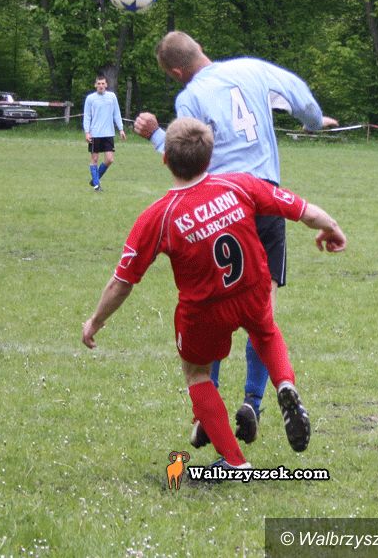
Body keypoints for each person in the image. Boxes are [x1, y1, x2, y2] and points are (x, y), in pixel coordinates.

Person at [82, 118, 346, 472]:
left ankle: (235, 462)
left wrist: (95, 321)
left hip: (205, 310)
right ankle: (284, 384)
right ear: (210, 158)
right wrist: (332, 227)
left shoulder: (159, 216)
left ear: (165, 160)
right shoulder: (239, 184)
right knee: (266, 332)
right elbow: (301, 210)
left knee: (197, 374)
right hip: (251, 290)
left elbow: (122, 282)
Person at [134, 31, 339, 448]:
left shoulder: (190, 97)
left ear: (177, 71)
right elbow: (300, 96)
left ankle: (207, 416)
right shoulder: (251, 67)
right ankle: (254, 402)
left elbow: (185, 159)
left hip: (223, 208)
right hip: (267, 201)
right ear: (200, 48)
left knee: (209, 311)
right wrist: (315, 122)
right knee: (263, 315)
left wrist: (155, 134)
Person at [83, 74, 126, 191]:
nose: (101, 86)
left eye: (103, 83)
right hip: (95, 134)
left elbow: (116, 113)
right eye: (99, 84)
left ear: (106, 85)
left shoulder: (112, 97)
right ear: (95, 85)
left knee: (109, 159)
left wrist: (121, 129)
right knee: (95, 159)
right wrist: (87, 132)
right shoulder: (90, 98)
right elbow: (87, 116)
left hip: (108, 133)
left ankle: (94, 179)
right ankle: (97, 186)